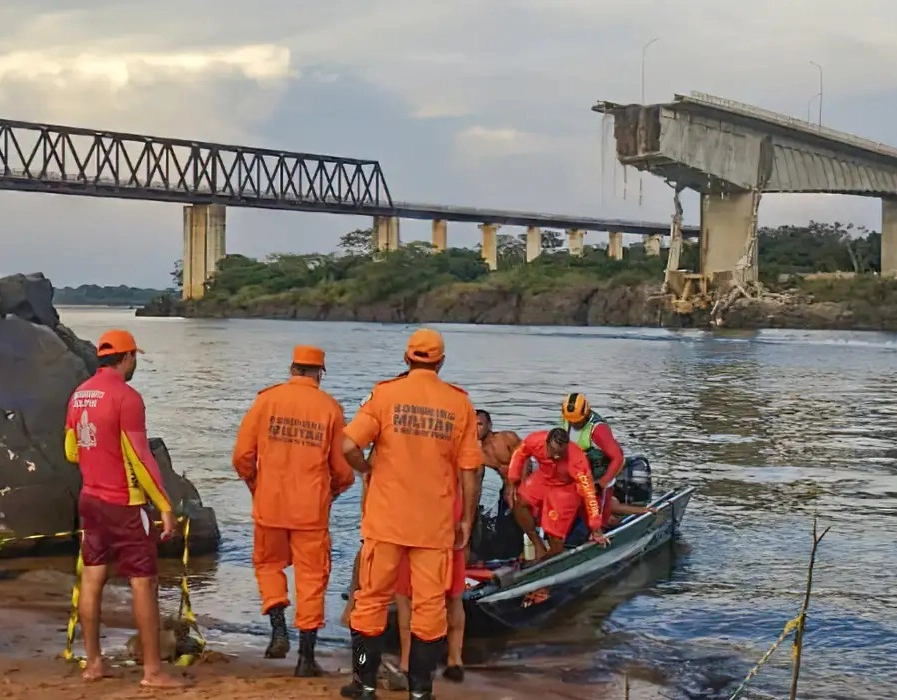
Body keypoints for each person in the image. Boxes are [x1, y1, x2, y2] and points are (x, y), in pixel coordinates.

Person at [340, 328, 482, 700]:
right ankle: (421, 692)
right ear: (441, 361)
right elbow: (470, 471)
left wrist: (367, 470)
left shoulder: (385, 395)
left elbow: (348, 445)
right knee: (430, 607)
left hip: (386, 521)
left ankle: (365, 684)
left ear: (407, 358)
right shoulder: (459, 404)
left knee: (370, 600)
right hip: (434, 526)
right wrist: (466, 519)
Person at [63, 329, 186, 689]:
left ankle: (94, 663)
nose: (135, 364)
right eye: (135, 357)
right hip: (124, 503)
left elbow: (71, 449)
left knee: (92, 577)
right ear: (127, 357)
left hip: (91, 499)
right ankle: (153, 672)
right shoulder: (127, 397)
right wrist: (164, 506)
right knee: (143, 583)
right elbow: (141, 456)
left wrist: (96, 455)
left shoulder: (79, 393)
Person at [232, 345, 355, 677]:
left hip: (269, 505)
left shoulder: (265, 401)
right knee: (312, 580)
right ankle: (305, 659)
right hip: (310, 512)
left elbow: (242, 456)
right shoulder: (330, 408)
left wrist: (258, 487)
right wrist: (331, 493)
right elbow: (343, 471)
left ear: (292, 368)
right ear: (320, 373)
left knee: (268, 565)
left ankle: (278, 629)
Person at [394, 483, 467, 685]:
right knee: (453, 595)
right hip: (448, 512)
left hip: (412, 518)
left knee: (405, 596)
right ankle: (454, 659)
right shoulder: (454, 452)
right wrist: (467, 518)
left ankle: (407, 662)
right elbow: (470, 477)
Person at [506, 428, 606, 560]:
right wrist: (513, 479)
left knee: (554, 533)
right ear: (546, 443)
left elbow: (589, 493)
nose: (556, 456)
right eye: (553, 451)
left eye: (560, 453)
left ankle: (552, 558)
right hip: (544, 476)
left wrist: (595, 527)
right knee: (519, 501)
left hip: (565, 487)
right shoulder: (535, 440)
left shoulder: (577, 460)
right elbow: (520, 453)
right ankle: (537, 544)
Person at [560, 393, 625, 529]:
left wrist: (601, 484)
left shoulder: (598, 430)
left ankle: (608, 524)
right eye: (571, 421)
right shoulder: (567, 420)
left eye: (578, 421)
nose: (574, 424)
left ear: (587, 412)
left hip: (599, 480)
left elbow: (618, 458)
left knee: (598, 522)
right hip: (578, 478)